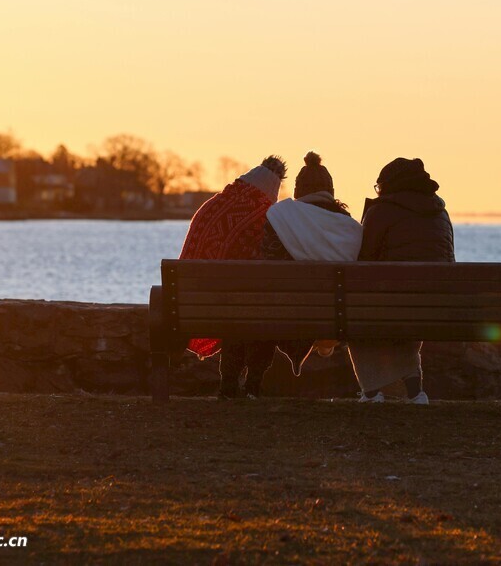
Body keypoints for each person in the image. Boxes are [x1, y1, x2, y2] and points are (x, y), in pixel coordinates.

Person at [241, 151, 363, 397]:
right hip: (337, 316)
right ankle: (367, 390)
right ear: (330, 190)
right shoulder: (350, 227)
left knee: (265, 306)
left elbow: (268, 265)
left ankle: (252, 386)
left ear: (298, 190)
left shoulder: (279, 217)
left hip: (283, 312)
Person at [178, 155, 287, 399]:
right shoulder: (263, 214)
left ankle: (229, 385)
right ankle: (251, 385)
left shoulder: (212, 205)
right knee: (253, 312)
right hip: (230, 307)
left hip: (189, 305)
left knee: (236, 310)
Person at [349, 157, 454, 404]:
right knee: (406, 312)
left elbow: (364, 262)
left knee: (354, 314)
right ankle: (415, 393)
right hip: (437, 308)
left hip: (392, 304)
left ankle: (372, 392)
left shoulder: (381, 211)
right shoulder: (441, 212)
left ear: (388, 185)